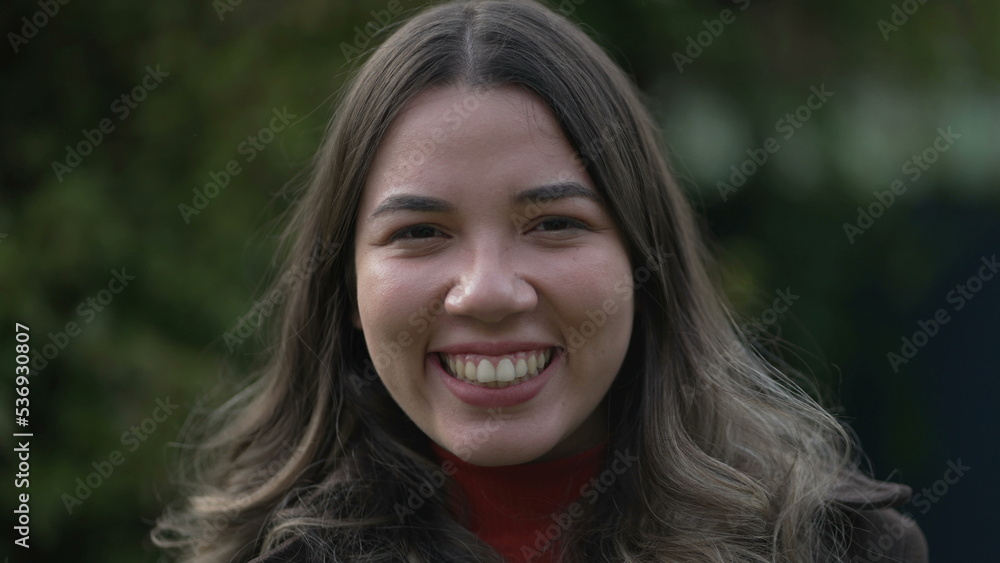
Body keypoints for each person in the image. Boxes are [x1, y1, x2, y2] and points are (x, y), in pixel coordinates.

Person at [152, 0, 928, 561]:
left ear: (643, 259)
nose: (487, 292)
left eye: (554, 224)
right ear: (345, 289)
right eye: (420, 233)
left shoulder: (834, 548)